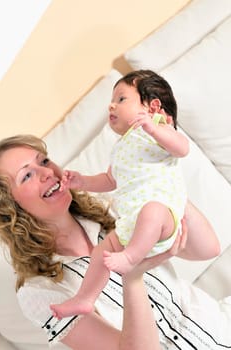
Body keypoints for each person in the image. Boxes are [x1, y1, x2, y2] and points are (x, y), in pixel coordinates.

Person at [0, 135, 230, 350]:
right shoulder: (39, 292)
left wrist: (159, 182)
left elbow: (208, 248)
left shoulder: (114, 208)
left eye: (44, 161)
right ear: (9, 210)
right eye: (26, 175)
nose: (47, 172)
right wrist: (133, 278)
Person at [50, 69, 190, 318]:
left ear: (153, 107)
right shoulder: (120, 147)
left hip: (163, 217)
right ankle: (84, 298)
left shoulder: (159, 126)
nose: (111, 106)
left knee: (152, 211)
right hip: (133, 226)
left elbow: (182, 149)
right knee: (101, 251)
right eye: (112, 101)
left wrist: (153, 128)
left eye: (121, 99)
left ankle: (130, 258)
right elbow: (109, 180)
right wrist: (81, 181)